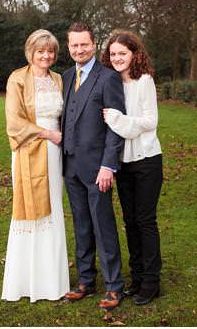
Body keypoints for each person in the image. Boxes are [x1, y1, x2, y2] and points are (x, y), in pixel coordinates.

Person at [60, 22, 127, 309]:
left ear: (94, 44)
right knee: (81, 224)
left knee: (103, 225)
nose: (79, 49)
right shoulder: (65, 77)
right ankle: (85, 280)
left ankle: (114, 286)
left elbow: (115, 126)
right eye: (74, 45)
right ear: (69, 47)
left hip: (97, 167)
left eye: (84, 44)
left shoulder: (108, 78)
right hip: (71, 165)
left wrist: (108, 166)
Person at [2, 29, 70, 302]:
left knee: (53, 207)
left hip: (55, 155)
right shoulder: (17, 78)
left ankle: (52, 280)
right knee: (29, 210)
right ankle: (26, 281)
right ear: (30, 51)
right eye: (40, 51)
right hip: (29, 149)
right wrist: (48, 134)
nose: (46, 55)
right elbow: (14, 121)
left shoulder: (58, 79)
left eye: (50, 51)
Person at [100, 30, 164, 305]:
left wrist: (117, 120)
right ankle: (136, 278)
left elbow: (150, 121)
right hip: (123, 164)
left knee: (145, 220)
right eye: (113, 54)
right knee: (129, 221)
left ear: (134, 54)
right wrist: (123, 123)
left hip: (147, 160)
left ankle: (152, 281)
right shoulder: (111, 82)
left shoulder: (144, 80)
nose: (117, 58)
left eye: (122, 53)